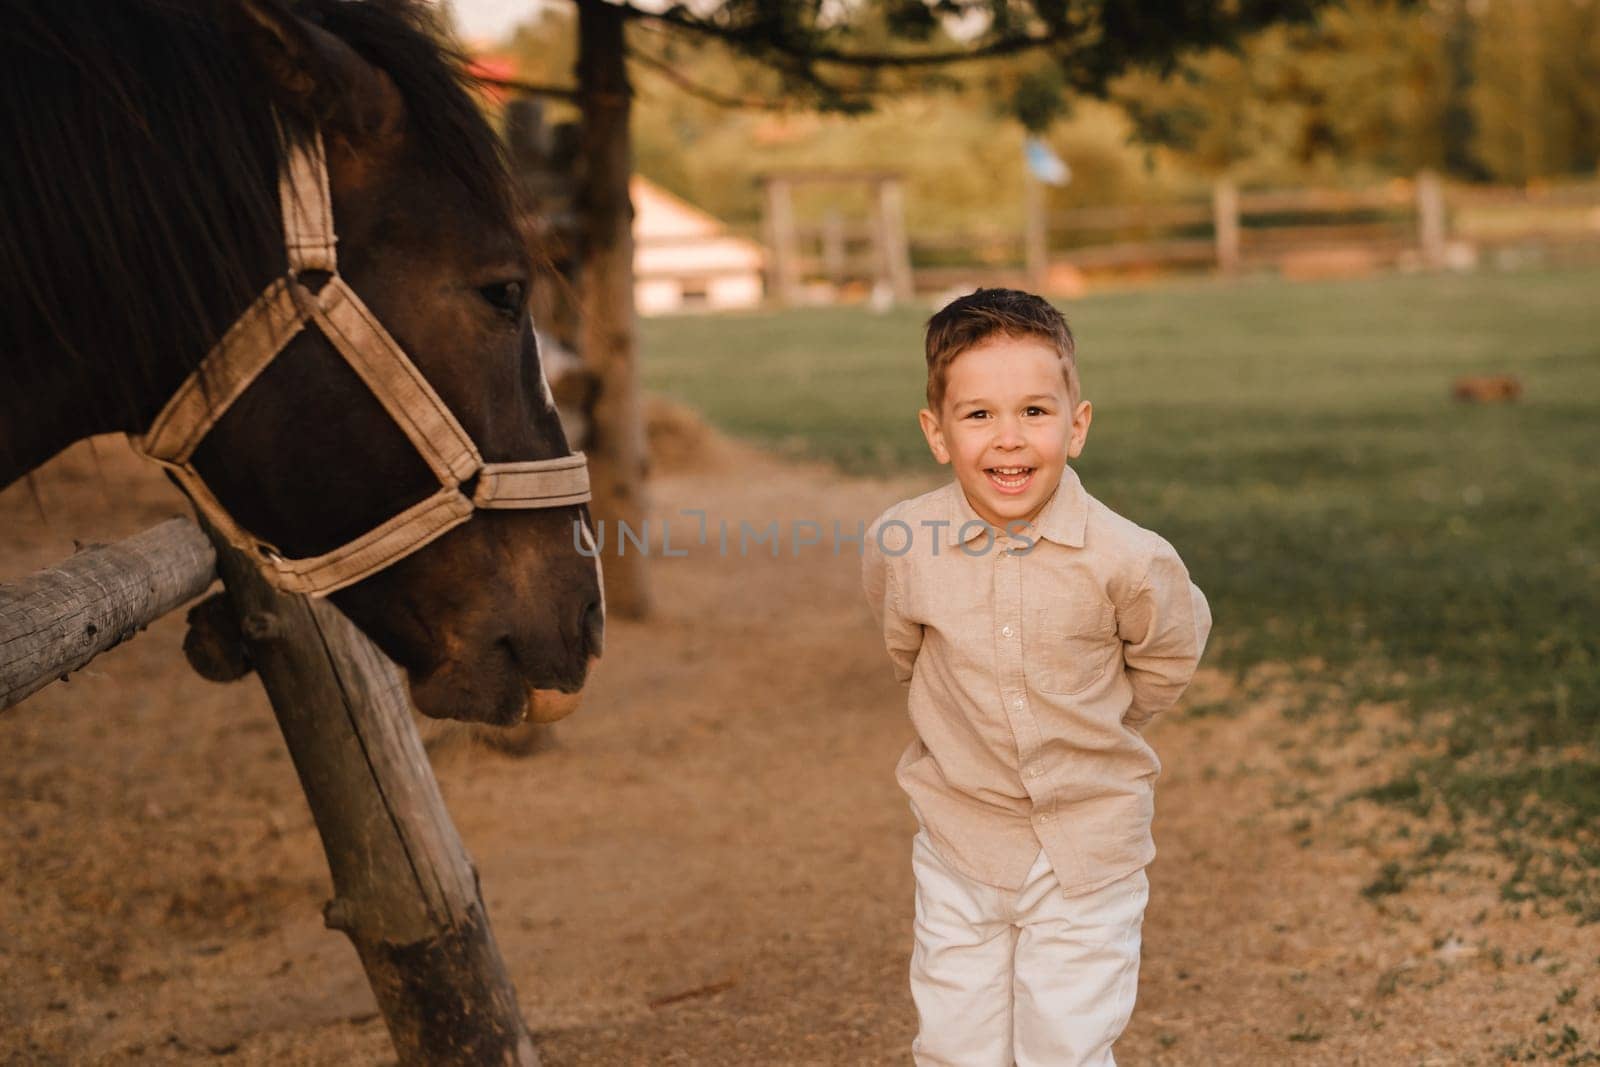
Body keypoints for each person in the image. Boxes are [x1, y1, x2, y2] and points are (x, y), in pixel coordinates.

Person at [862, 288, 1211, 1066]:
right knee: (955, 1041)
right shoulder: (904, 541)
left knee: (1066, 1042)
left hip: (1088, 845)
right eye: (978, 414)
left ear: (1076, 425)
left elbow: (1170, 653)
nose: (1009, 440)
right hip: (962, 835)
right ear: (937, 433)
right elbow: (904, 645)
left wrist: (1104, 723)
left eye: (1035, 412)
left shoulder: (1130, 557)